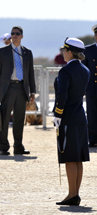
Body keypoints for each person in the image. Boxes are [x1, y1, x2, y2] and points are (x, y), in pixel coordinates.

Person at [53, 38, 90, 206]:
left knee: (69, 157)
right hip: (80, 117)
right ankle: (75, 193)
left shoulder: (65, 71)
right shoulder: (85, 69)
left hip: (67, 117)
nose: (62, 53)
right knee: (78, 158)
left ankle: (72, 194)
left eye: (64, 50)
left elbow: (62, 95)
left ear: (69, 51)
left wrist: (57, 114)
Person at [0, 26, 36, 155]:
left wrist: (32, 91)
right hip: (7, 89)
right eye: (12, 34)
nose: (14, 36)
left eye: (17, 34)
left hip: (22, 88)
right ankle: (3, 147)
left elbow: (30, 73)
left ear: (22, 36)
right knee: (4, 118)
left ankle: (18, 146)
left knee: (19, 119)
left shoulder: (27, 52)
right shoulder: (2, 52)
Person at [82, 24, 97, 147]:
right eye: (96, 34)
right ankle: (92, 139)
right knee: (91, 114)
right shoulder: (88, 50)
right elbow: (83, 70)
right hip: (92, 87)